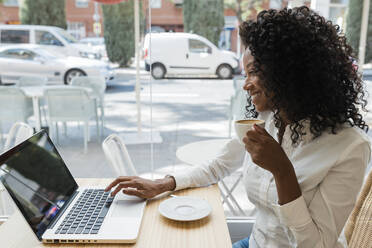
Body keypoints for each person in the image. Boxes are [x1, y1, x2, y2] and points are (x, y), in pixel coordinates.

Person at [105, 6, 371, 248]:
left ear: (290, 73)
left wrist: (282, 171)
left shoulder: (350, 146)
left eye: (254, 71)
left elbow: (315, 245)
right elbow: (219, 164)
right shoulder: (268, 119)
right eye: (245, 74)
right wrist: (163, 184)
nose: (246, 84)